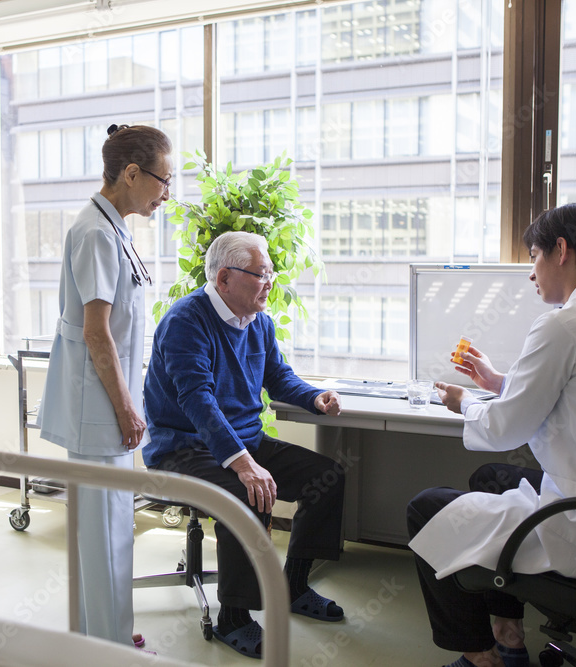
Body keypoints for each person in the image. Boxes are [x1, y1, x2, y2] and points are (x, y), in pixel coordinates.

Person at [406, 202, 576, 667]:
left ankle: (480, 657)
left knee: (424, 508)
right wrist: (499, 383)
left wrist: (465, 401)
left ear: (561, 251)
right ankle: (508, 637)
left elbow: (504, 428)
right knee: (493, 478)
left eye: (533, 256)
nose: (531, 274)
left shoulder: (562, 324)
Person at [143, 231, 346, 660]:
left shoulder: (260, 322)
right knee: (246, 492)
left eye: (271, 273)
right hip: (183, 448)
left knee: (326, 477)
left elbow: (277, 376)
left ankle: (293, 584)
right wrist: (242, 464)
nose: (270, 282)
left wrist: (313, 397)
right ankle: (232, 618)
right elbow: (197, 401)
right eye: (261, 274)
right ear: (224, 279)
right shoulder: (186, 322)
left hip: (244, 440)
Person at [36, 123, 172, 649]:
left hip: (108, 405)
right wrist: (127, 410)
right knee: (105, 531)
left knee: (110, 528)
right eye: (163, 180)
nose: (167, 193)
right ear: (132, 173)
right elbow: (97, 334)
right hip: (99, 409)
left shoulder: (113, 227)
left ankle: (102, 638)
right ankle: (107, 649)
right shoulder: (95, 231)